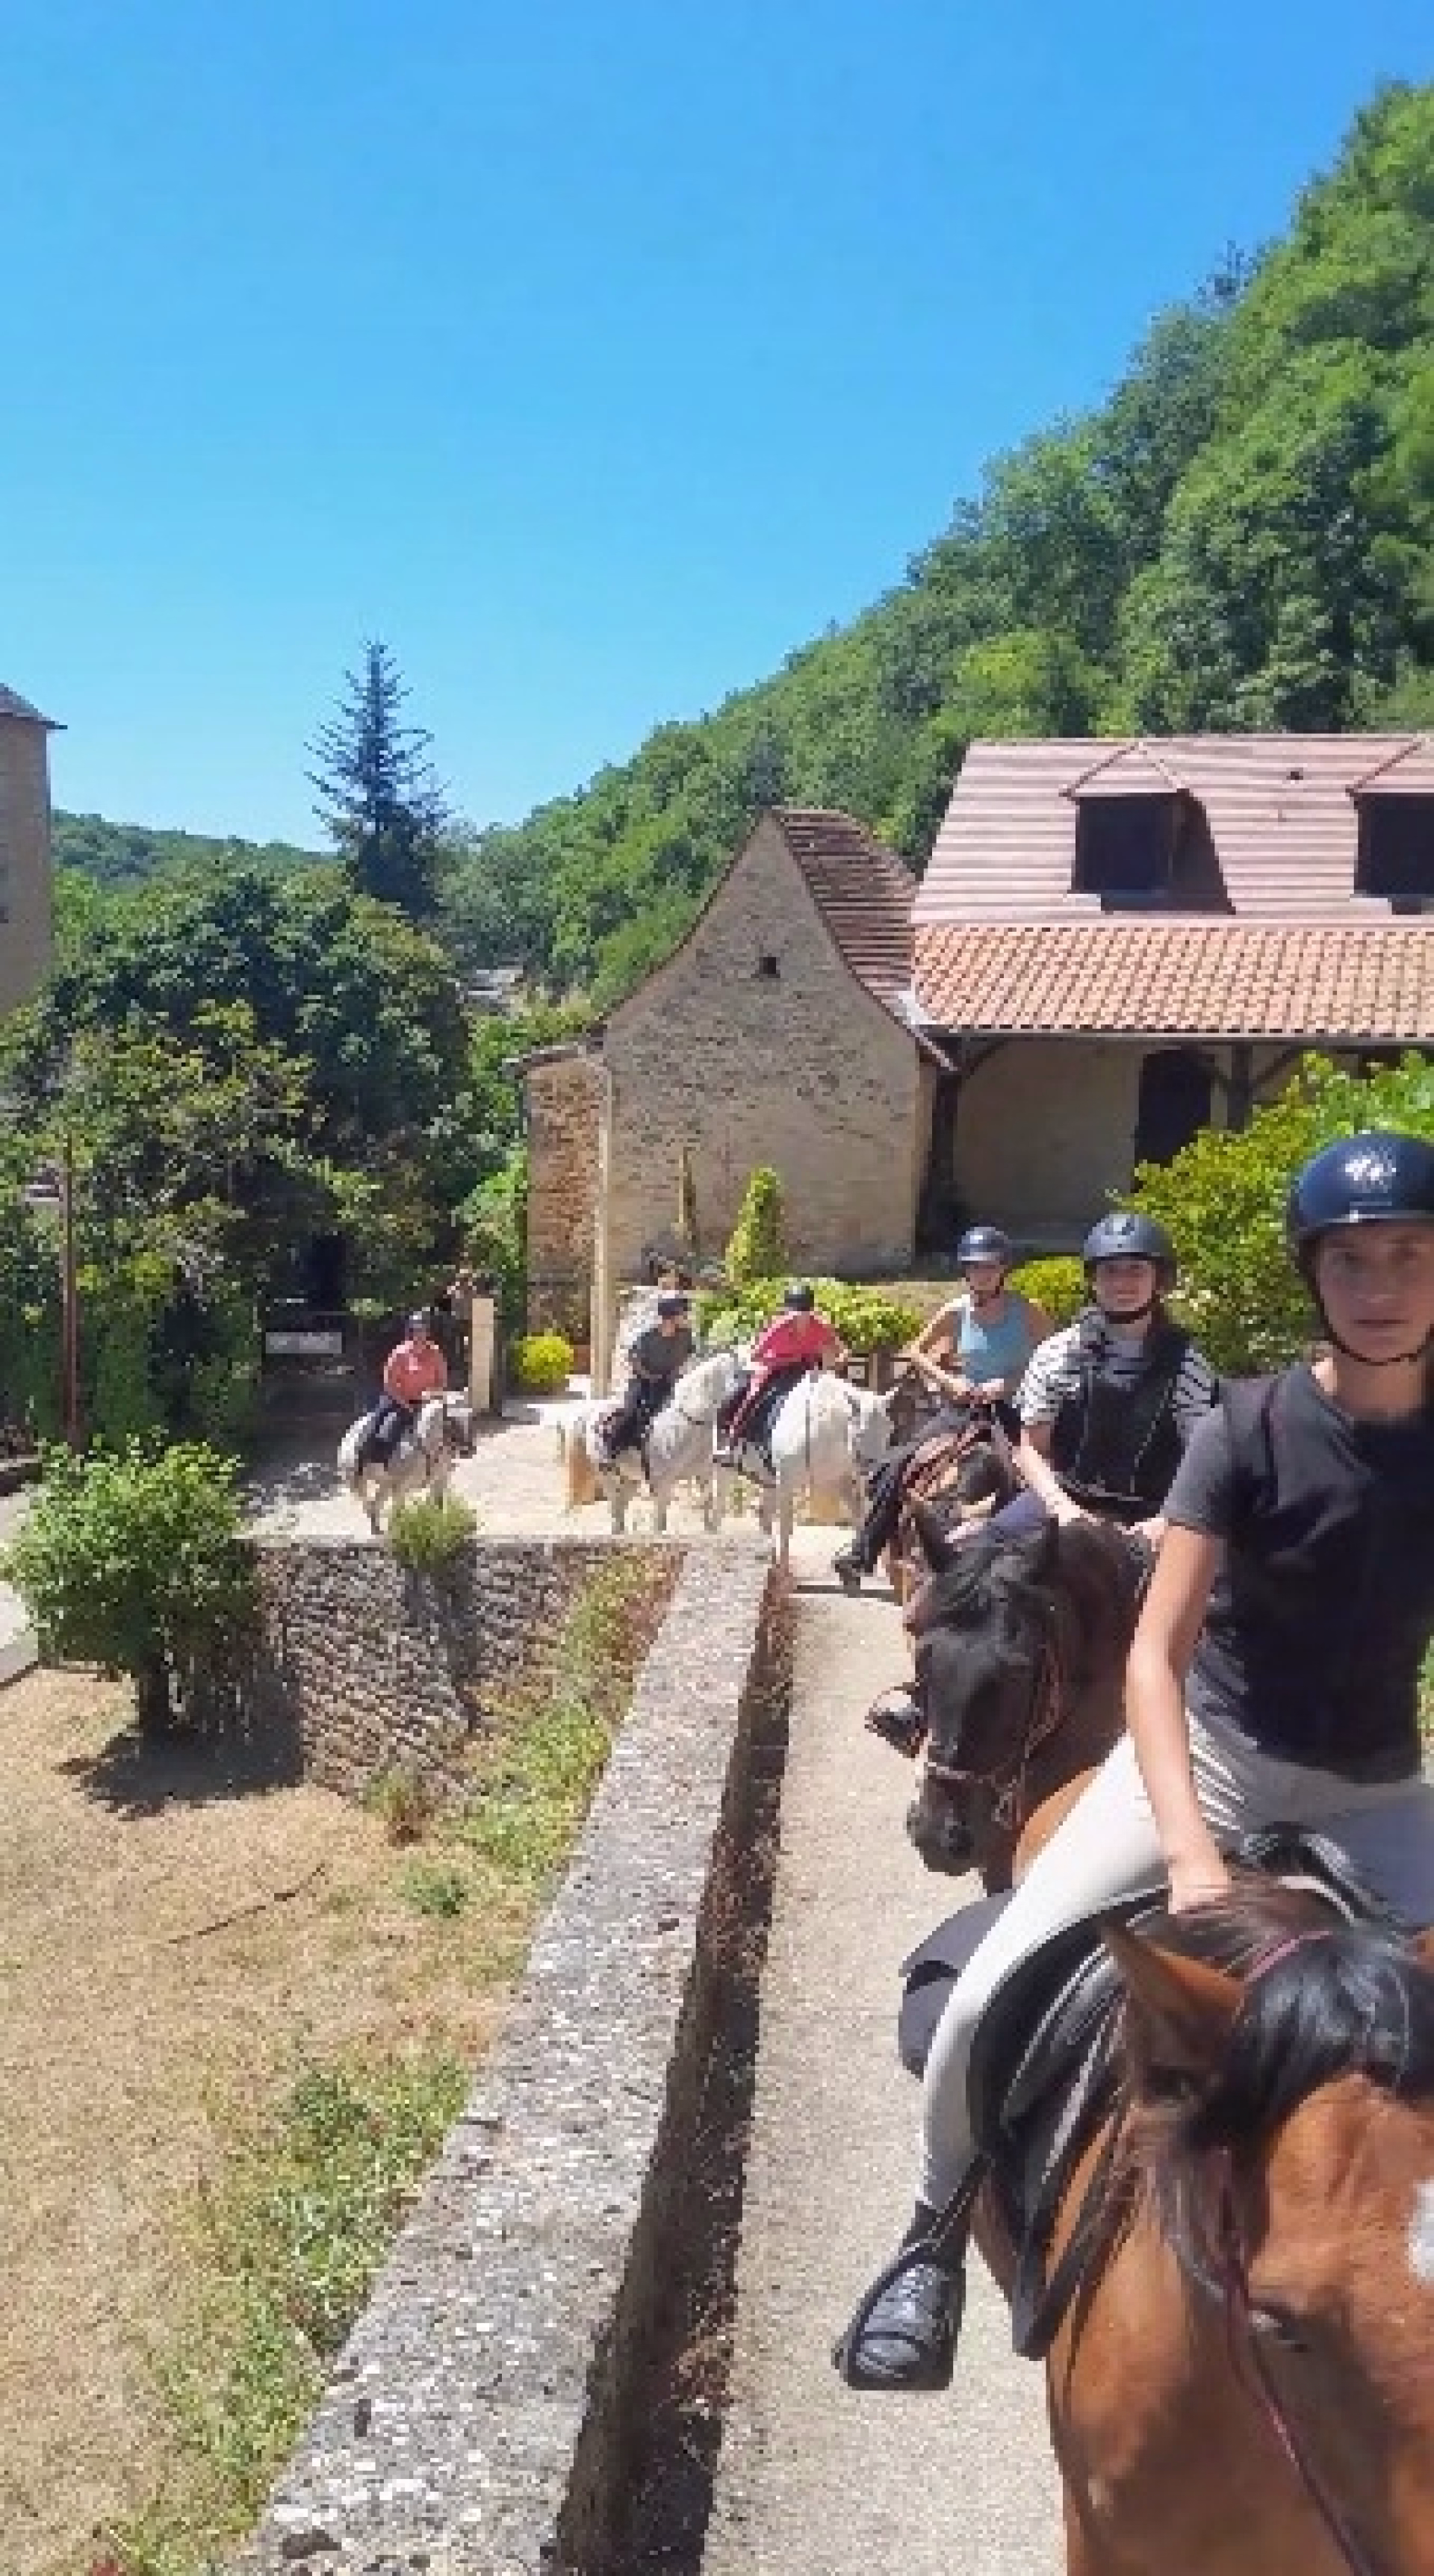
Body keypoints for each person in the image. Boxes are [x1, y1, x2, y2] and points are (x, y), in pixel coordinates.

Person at [835, 1130, 1434, 2394]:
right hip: (1217, 1762)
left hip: (1380, 1788)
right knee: (997, 1987)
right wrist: (1193, 1853)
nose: (1382, 1284)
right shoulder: (1253, 1425)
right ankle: (927, 2242)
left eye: (1411, 1254)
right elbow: (1154, 1659)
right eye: (1355, 1259)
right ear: (1315, 1274)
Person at [832, 1227, 1051, 1592]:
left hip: (1016, 1409)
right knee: (902, 1463)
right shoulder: (956, 1311)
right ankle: (862, 1552)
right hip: (964, 1409)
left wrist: (1011, 1382)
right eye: (975, 1268)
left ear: (1003, 1270)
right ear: (966, 1272)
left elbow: (1052, 1355)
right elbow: (915, 1350)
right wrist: (951, 1382)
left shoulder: (1027, 1311)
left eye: (990, 1267)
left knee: (1043, 1476)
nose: (983, 1274)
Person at [715, 1282, 845, 1460]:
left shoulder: (820, 1325)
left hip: (807, 1369)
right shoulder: (780, 1326)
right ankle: (731, 1442)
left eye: (805, 1313)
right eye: (797, 1314)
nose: (801, 1318)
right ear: (788, 1312)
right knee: (752, 1396)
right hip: (775, 1367)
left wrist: (841, 1359)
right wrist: (786, 1359)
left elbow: (841, 1348)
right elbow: (756, 1355)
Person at [600, 1290, 695, 1460]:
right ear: (670, 1315)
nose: (686, 1316)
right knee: (631, 1413)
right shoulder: (648, 1335)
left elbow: (688, 1355)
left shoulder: (686, 1335)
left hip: (671, 1381)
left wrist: (676, 1373)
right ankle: (609, 1452)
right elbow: (633, 1359)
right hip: (644, 1381)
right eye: (683, 1312)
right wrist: (650, 1377)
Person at [367, 1310, 449, 1464]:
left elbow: (443, 1380)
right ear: (410, 1332)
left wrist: (434, 1393)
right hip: (399, 1399)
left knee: (453, 1420)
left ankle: (456, 1453)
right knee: (385, 1426)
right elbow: (389, 1384)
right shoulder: (400, 1353)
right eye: (416, 1330)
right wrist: (406, 1405)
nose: (420, 1334)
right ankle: (377, 1461)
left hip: (427, 1400)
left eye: (423, 1329)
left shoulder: (435, 1352)